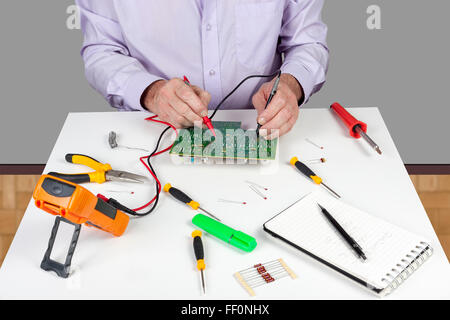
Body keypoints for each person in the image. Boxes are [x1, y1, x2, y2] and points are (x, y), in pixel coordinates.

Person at [76, 0, 328, 139]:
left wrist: (290, 85)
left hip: (262, 132)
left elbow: (306, 43)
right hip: (156, 134)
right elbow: (102, 51)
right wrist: (151, 93)